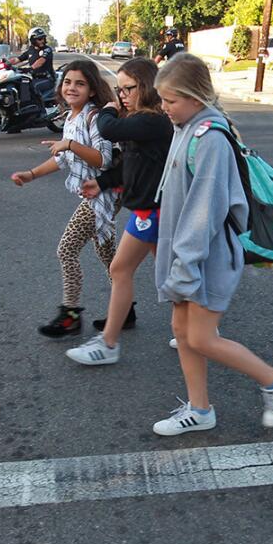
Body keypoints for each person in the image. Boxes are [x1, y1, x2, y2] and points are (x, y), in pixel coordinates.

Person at [145, 53, 273, 435]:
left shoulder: (209, 138)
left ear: (196, 98)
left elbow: (204, 214)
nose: (164, 108)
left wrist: (183, 264)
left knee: (199, 336)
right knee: (181, 332)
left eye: (171, 101)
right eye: (162, 100)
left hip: (206, 256)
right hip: (188, 254)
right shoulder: (187, 128)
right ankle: (200, 410)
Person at [64, 57, 175, 365]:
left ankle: (109, 343)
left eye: (128, 88)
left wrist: (109, 109)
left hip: (152, 212)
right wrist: (102, 182)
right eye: (118, 88)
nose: (122, 94)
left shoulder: (152, 120)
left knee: (120, 269)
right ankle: (199, 328)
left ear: (147, 87)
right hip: (150, 210)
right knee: (170, 275)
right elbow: (129, 168)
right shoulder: (143, 121)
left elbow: (108, 128)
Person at [11, 60, 120, 338]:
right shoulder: (71, 117)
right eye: (68, 82)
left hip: (102, 194)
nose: (71, 87)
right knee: (108, 255)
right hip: (96, 192)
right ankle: (125, 308)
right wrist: (31, 174)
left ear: (92, 90)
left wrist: (70, 144)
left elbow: (104, 159)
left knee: (66, 249)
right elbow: (62, 159)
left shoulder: (93, 117)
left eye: (80, 83)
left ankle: (70, 315)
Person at [18, 27, 55, 101]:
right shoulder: (30, 50)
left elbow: (41, 61)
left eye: (43, 38)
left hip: (47, 79)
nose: (42, 41)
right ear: (33, 40)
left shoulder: (47, 49)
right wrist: (6, 63)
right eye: (39, 39)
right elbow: (18, 59)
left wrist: (30, 68)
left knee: (31, 87)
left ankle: (39, 110)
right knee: (19, 84)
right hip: (35, 78)